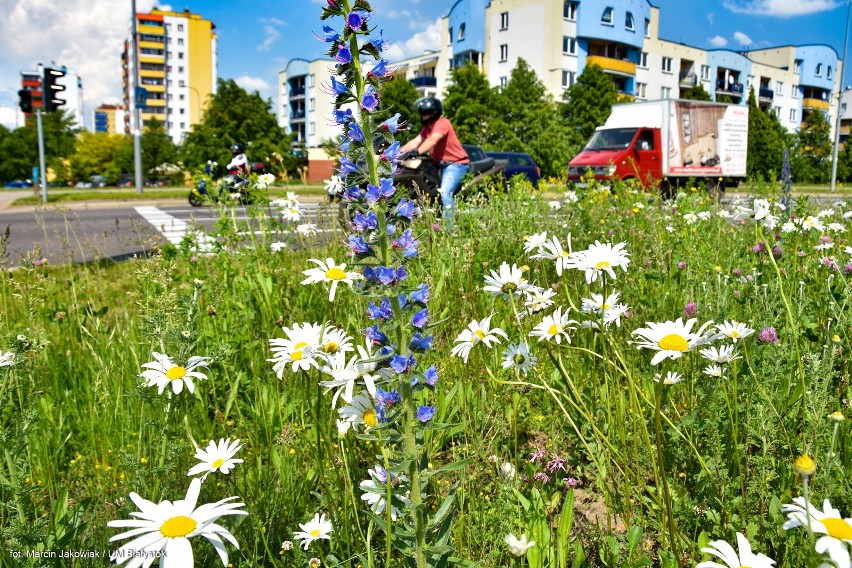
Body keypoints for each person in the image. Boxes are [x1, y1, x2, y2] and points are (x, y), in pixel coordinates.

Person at [399, 97, 469, 229]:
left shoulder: (442, 123)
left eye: (427, 113)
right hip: (438, 165)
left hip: (455, 165)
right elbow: (415, 141)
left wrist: (417, 152)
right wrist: (397, 154)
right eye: (422, 114)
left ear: (434, 113)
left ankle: (448, 230)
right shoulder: (427, 128)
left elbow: (432, 140)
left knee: (445, 192)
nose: (424, 117)